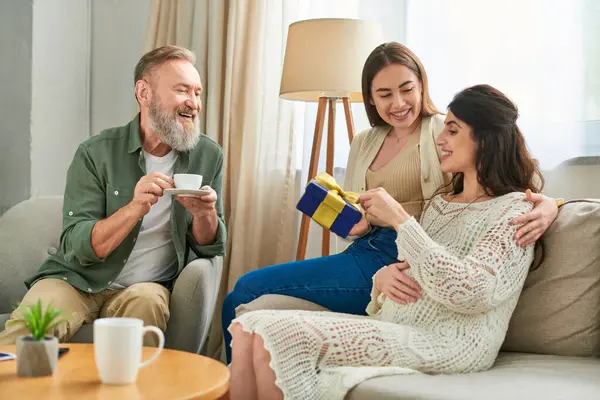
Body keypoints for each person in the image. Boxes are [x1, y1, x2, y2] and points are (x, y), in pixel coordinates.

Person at [221, 42, 558, 361]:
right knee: (239, 297)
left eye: (406, 89)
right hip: (365, 250)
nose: (398, 103)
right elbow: (359, 218)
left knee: (247, 287)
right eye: (384, 94)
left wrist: (547, 205)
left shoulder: (443, 130)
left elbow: (500, 173)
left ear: (422, 86)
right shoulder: (365, 141)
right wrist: (355, 223)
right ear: (370, 99)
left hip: (403, 253)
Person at [0, 45, 226, 346]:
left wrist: (204, 214)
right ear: (144, 93)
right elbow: (77, 244)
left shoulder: (208, 155)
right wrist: (134, 208)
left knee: (148, 304)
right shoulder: (96, 153)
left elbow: (211, 246)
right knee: (24, 334)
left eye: (197, 93)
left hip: (148, 286)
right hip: (77, 281)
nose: (194, 103)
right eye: (183, 90)